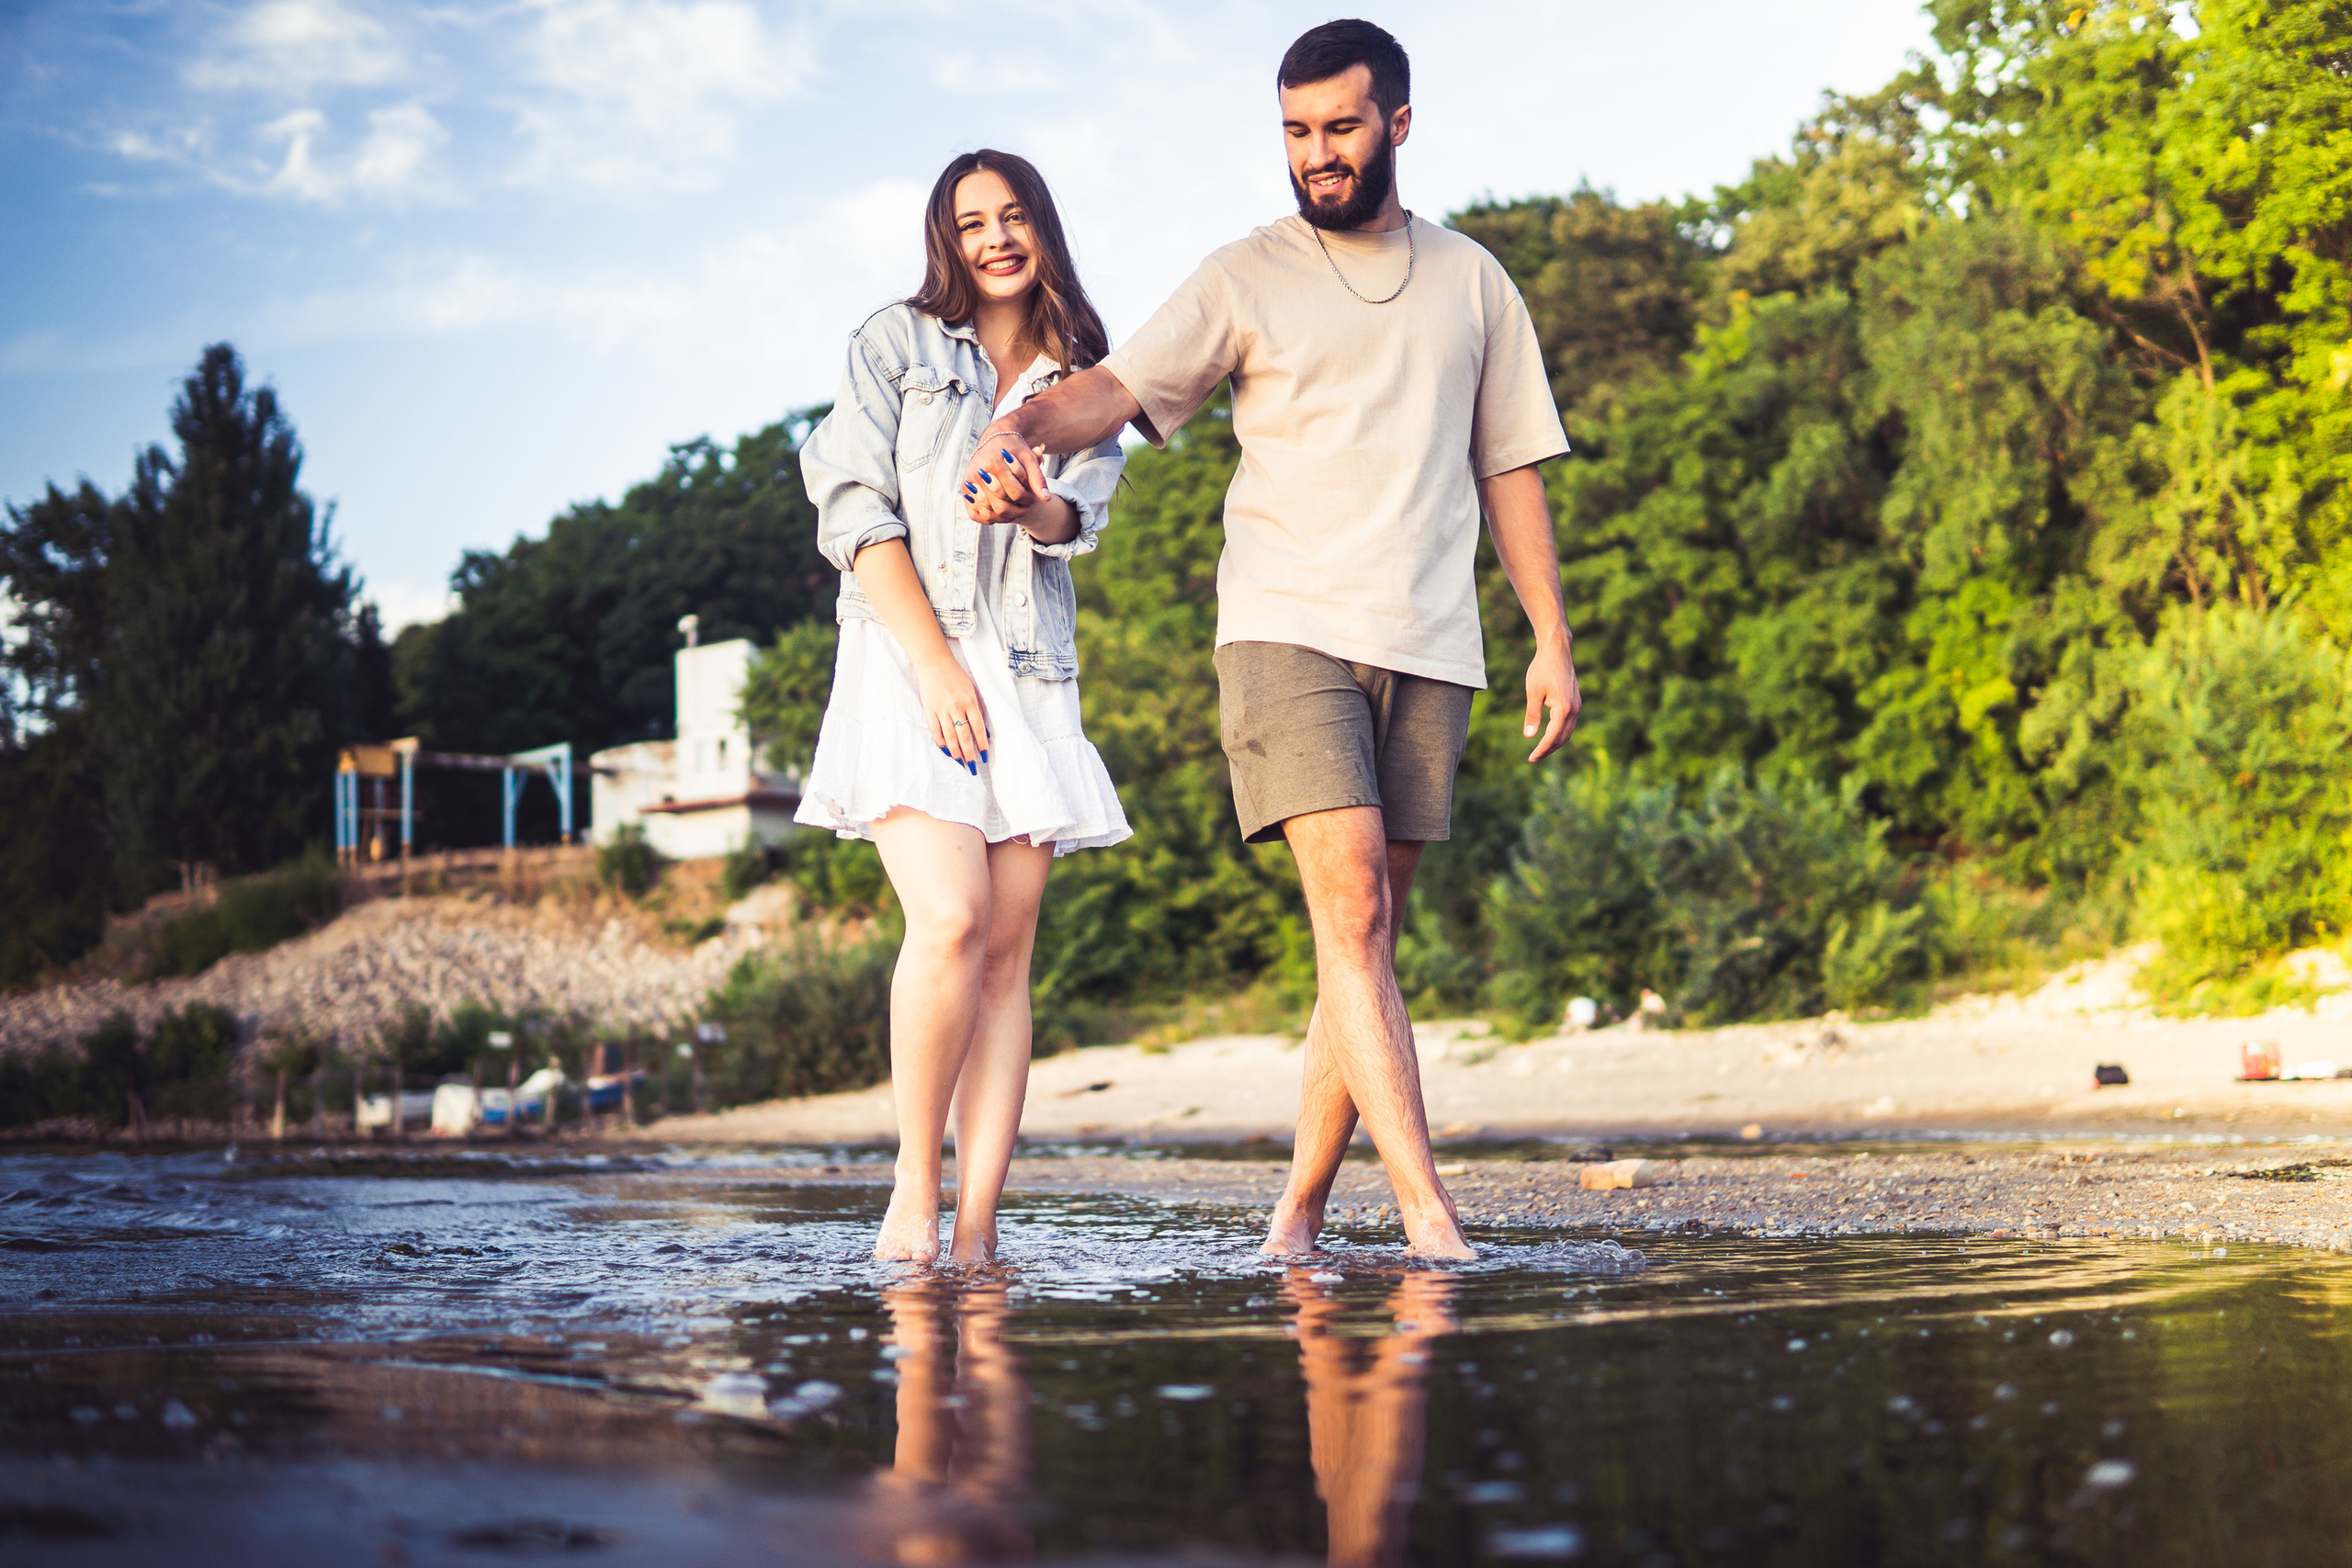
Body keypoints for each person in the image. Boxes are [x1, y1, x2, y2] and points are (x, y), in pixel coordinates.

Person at [959, 19, 1577, 1260]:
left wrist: (1550, 637)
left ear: (1396, 123)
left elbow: (1510, 465)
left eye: (1341, 129)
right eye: (1296, 133)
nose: (1317, 156)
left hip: (1433, 642)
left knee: (1368, 942)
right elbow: (1113, 390)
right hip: (1285, 631)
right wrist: (1021, 429)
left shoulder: (1474, 282)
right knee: (1347, 911)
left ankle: (1295, 1211)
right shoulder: (1245, 272)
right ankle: (1427, 1214)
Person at [798, 149, 1131, 1264]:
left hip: (1029, 669)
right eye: (971, 220)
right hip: (906, 654)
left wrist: (1038, 502)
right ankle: (912, 1185)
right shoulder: (893, 343)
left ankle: (981, 1224)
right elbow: (851, 511)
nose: (995, 236)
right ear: (947, 239)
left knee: (1004, 953)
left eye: (1013, 214)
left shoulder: (1081, 368)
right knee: (947, 919)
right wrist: (935, 666)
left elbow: (1074, 524)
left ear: (1042, 224)